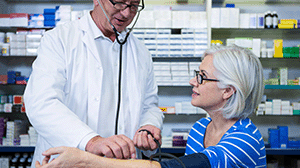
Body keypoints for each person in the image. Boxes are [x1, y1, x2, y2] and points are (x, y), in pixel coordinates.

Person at [35, 45, 267, 168]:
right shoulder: (200, 128)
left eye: (202, 77)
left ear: (228, 91)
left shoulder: (245, 139)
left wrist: (85, 160)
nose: (192, 81)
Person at [23, 0, 164, 167]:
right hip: (65, 163)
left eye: (133, 6)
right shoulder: (59, 39)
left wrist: (148, 126)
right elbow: (41, 103)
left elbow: (150, 105)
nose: (126, 13)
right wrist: (90, 141)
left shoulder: (141, 52)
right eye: (119, 3)